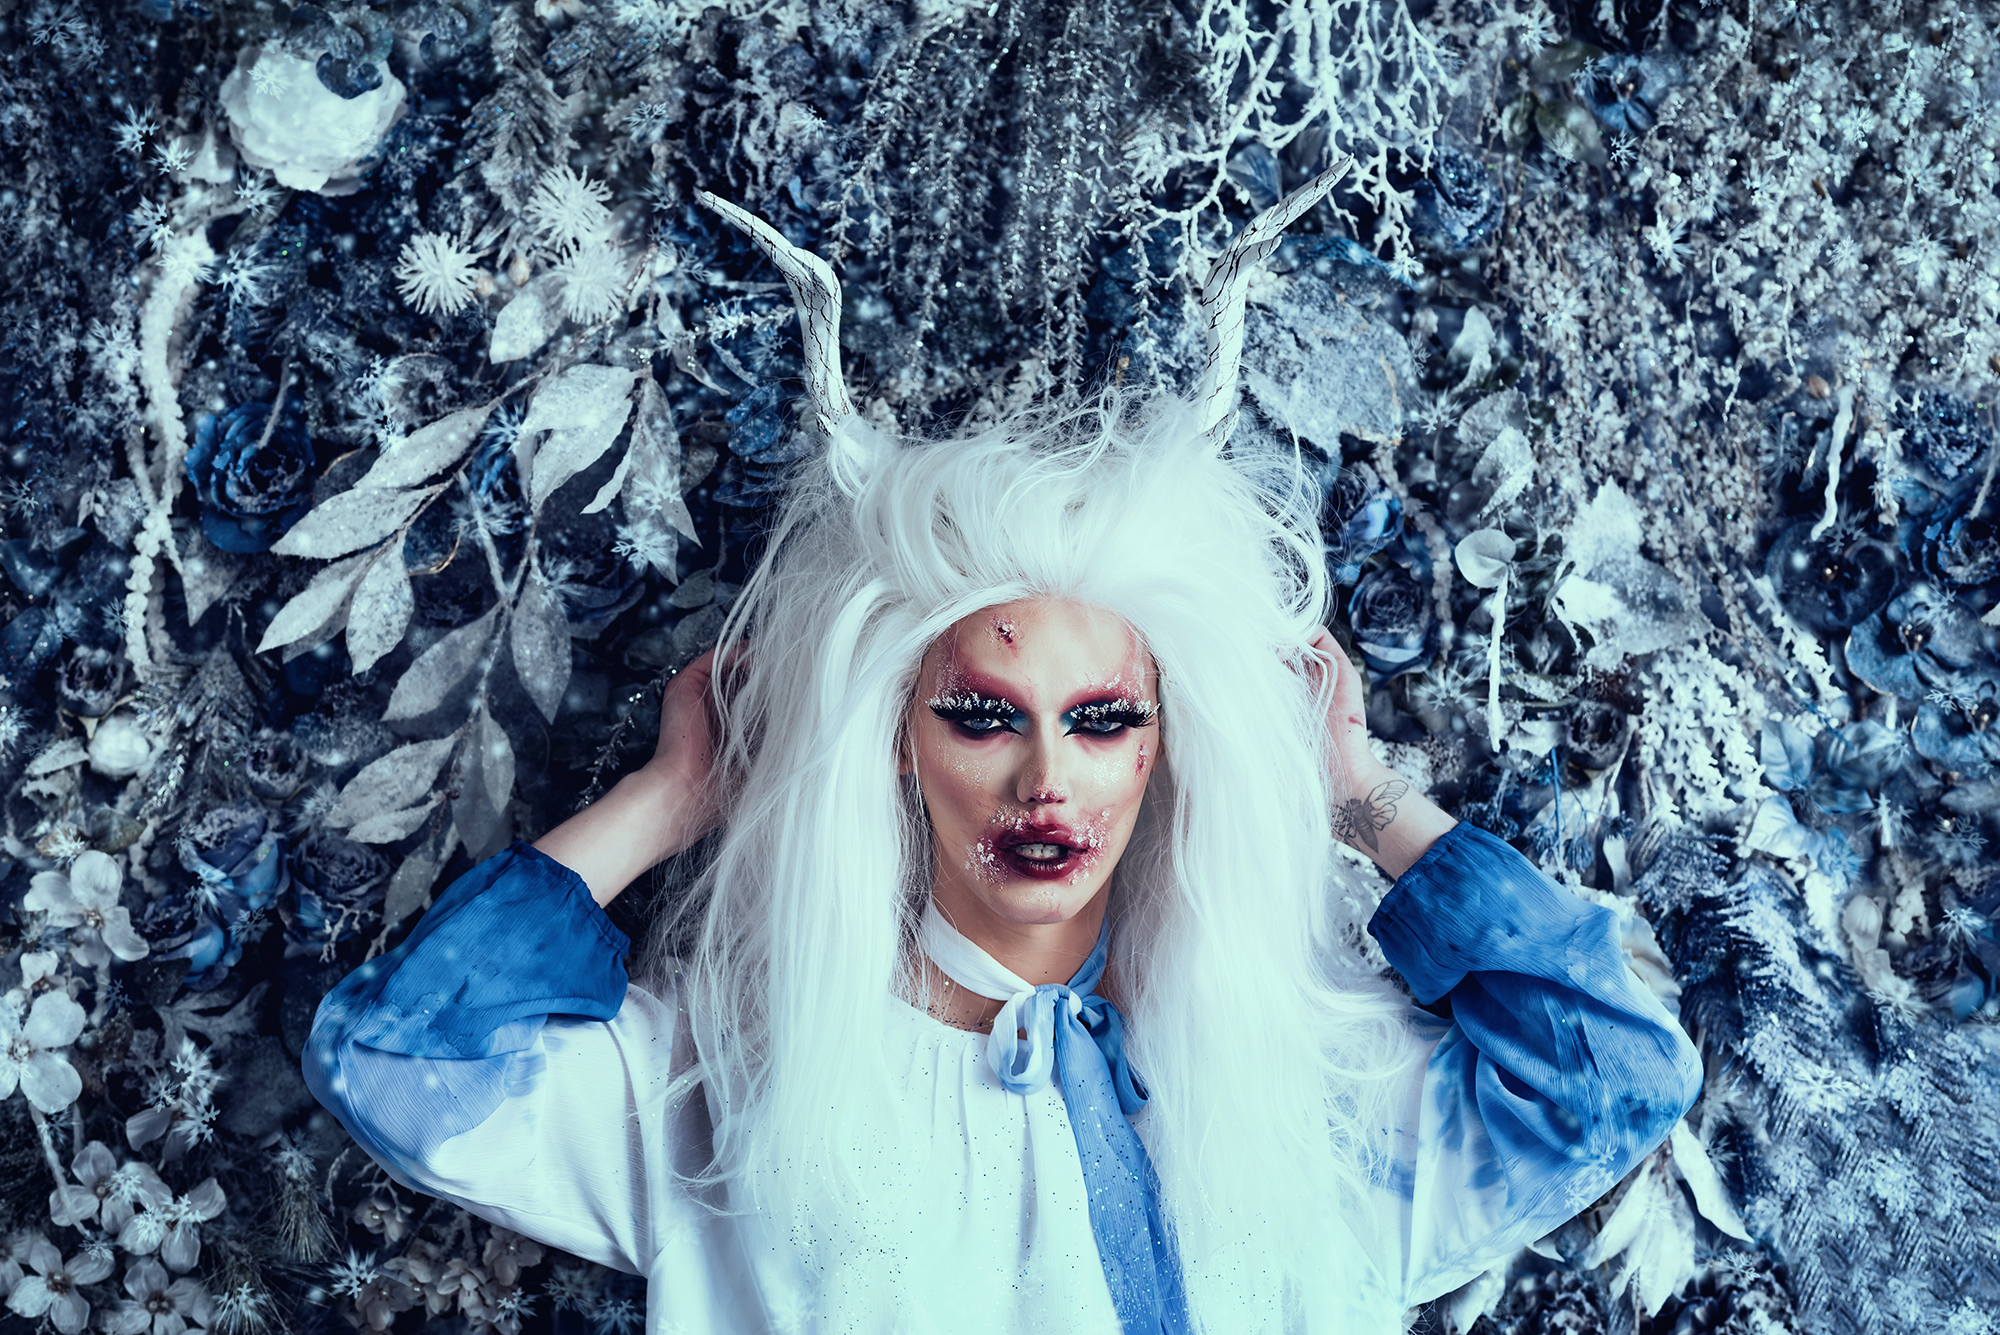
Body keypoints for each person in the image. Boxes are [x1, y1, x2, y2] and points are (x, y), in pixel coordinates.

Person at [303, 167, 1702, 1334]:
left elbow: (1616, 1070)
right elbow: (401, 1060)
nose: (1048, 783)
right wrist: (673, 799)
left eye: (1104, 721)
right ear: (899, 742)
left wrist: (1360, 793)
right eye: (983, 715)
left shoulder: (1293, 1091)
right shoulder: (730, 1088)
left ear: (1163, 749)